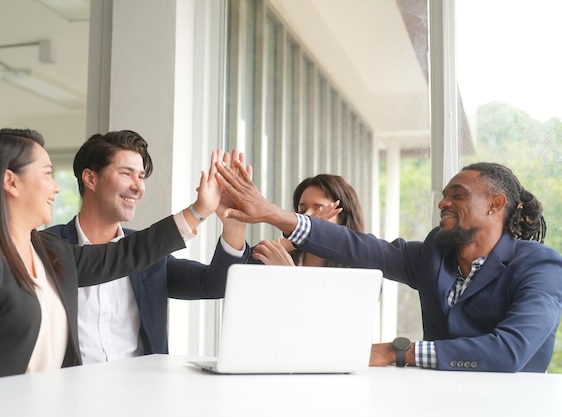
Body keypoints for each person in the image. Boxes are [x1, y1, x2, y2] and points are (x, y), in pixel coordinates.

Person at [216, 158, 562, 372]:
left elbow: (510, 350)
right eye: (444, 194)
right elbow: (361, 247)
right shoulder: (433, 255)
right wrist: (276, 215)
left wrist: (399, 353)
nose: (443, 202)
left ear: (495, 204)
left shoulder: (540, 266)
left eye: (457, 194)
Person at [0, 128, 224, 385]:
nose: (57, 187)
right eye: (47, 173)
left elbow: (127, 254)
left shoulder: (50, 252)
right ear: (11, 181)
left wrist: (200, 210)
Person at [45, 130, 250, 361]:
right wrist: (199, 210)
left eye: (141, 177)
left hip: (143, 392)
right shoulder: (49, 248)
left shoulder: (151, 254)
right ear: (90, 179)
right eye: (126, 173)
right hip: (70, 392)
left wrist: (234, 223)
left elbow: (215, 284)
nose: (138, 186)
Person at [250, 174, 363, 267]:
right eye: (302, 211)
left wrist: (288, 274)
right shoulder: (281, 255)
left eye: (319, 209)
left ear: (342, 218)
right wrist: (290, 243)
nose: (307, 215)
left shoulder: (359, 269)